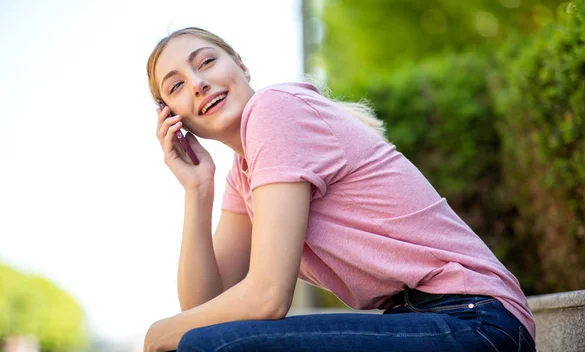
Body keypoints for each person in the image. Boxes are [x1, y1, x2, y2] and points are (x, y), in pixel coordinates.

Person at [142, 27, 536, 352]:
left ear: (241, 66)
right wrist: (198, 190)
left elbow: (267, 298)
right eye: (176, 86)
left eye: (207, 61)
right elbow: (203, 310)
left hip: (477, 321)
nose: (198, 83)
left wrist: (155, 335)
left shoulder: (275, 110)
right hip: (430, 321)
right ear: (173, 118)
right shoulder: (241, 174)